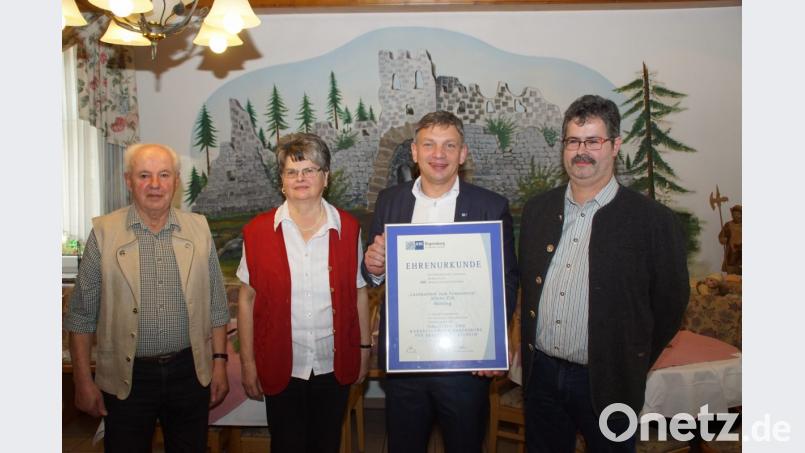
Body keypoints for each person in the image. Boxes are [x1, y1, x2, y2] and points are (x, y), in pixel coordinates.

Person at [519, 95, 690, 453]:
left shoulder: (654, 222)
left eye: (593, 141)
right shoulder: (537, 211)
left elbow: (670, 306)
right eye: (573, 141)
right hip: (542, 379)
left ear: (614, 145)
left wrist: (629, 359)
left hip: (609, 382)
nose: (582, 151)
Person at [363, 110, 518, 453]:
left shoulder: (490, 207)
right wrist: (372, 264)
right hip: (406, 362)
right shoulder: (390, 201)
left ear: (463, 154)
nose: (439, 154)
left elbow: (506, 280)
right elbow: (373, 275)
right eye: (429, 144)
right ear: (414, 152)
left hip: (465, 364)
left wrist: (494, 340)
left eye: (449, 145)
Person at [64, 143, 230, 452]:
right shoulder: (103, 233)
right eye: (144, 175)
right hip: (127, 379)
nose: (155, 185)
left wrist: (219, 363)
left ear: (175, 181)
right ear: (129, 181)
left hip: (189, 374)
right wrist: (82, 381)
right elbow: (81, 315)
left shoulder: (199, 229)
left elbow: (217, 305)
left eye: (163, 175)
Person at [237, 133, 371, 453]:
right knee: (286, 445)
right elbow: (247, 298)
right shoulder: (257, 232)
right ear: (281, 181)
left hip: (333, 362)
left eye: (310, 170)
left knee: (326, 444)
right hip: (282, 363)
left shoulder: (349, 228)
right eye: (291, 172)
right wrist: (247, 363)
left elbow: (359, 292)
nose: (301, 178)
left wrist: (364, 350)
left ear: (326, 177)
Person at [718, 204, 742, 274]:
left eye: (740, 214)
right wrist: (722, 239)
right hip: (732, 252)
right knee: (732, 271)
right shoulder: (728, 225)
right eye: (736, 214)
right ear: (732, 215)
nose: (739, 216)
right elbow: (722, 235)